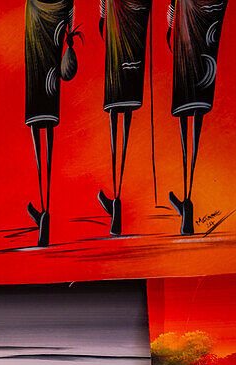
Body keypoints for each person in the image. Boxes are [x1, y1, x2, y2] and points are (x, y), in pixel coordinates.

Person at [168, 0, 228, 235]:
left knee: (185, 105)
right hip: (208, 22)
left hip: (186, 19)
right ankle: (188, 199)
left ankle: (187, 201)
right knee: (198, 106)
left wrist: (170, 19)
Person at [23, 0, 77, 247]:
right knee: (50, 115)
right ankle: (46, 207)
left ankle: (44, 211)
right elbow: (71, 18)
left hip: (36, 22)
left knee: (37, 115)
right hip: (57, 21)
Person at [97, 0, 150, 237]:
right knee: (126, 114)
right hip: (137, 27)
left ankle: (116, 200)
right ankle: (118, 196)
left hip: (116, 30)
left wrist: (103, 19)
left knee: (115, 115)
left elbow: (102, 14)